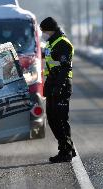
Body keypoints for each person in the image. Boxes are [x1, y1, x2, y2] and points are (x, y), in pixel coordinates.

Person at [40, 17, 76, 163]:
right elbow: (49, 59)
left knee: (59, 119)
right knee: (53, 118)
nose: (43, 34)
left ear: (51, 29)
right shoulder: (51, 43)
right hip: (52, 83)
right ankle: (68, 148)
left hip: (60, 84)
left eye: (44, 31)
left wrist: (59, 87)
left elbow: (65, 67)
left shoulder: (62, 43)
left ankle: (65, 151)